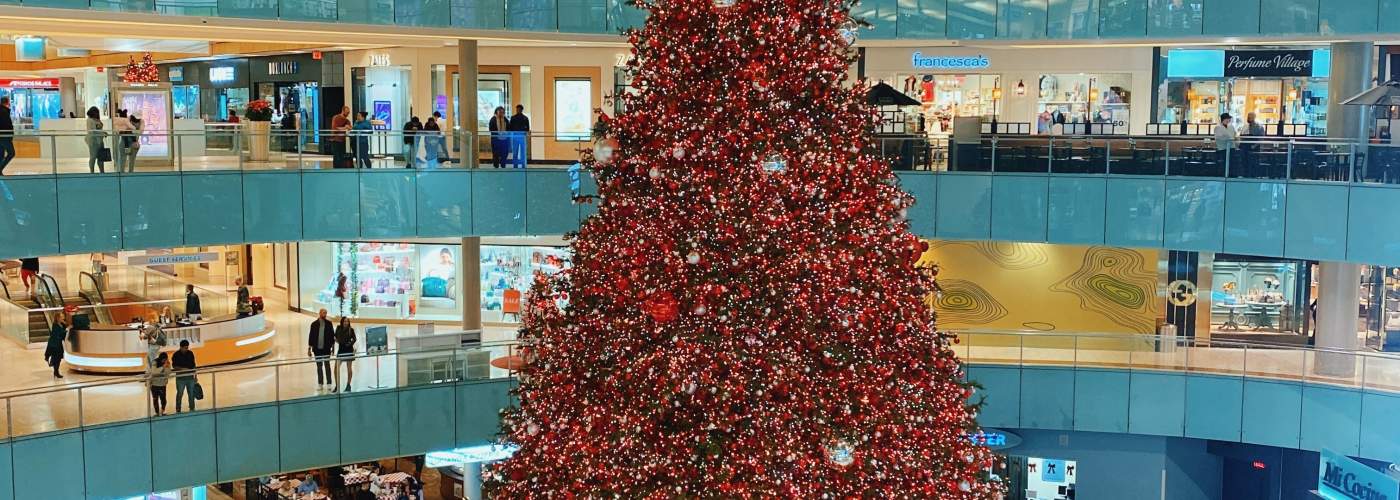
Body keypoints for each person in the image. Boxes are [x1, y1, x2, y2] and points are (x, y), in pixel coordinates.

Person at [308, 308, 336, 389]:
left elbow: (332, 336)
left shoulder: (329, 323)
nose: (325, 314)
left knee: (327, 365)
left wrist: (333, 348)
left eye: (326, 313)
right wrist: (309, 349)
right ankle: (320, 383)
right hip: (317, 349)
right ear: (319, 313)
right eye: (323, 313)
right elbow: (311, 336)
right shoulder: (314, 324)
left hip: (326, 348)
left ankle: (329, 383)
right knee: (319, 366)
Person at [172, 339, 197, 412]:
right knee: (180, 393)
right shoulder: (176, 355)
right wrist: (183, 369)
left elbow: (194, 365)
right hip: (180, 378)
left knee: (191, 393)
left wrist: (195, 376)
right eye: (185, 348)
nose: (186, 349)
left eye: (187, 347)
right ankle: (178, 408)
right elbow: (174, 366)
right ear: (181, 347)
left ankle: (192, 408)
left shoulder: (190, 353)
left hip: (190, 377)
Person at [333, 316, 356, 393]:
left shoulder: (351, 330)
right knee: (336, 368)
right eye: (345, 321)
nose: (346, 322)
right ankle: (337, 385)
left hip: (349, 350)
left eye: (347, 321)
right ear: (342, 322)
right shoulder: (338, 328)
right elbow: (335, 337)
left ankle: (348, 385)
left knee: (349, 369)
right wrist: (338, 342)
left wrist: (349, 344)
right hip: (341, 350)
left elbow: (354, 339)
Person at [44, 313, 68, 378]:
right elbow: (59, 333)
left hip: (58, 344)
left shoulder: (61, 324)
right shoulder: (55, 325)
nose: (63, 318)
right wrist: (65, 331)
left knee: (58, 358)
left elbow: (65, 327)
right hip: (54, 344)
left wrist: (64, 324)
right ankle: (56, 372)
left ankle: (56, 372)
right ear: (58, 318)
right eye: (62, 317)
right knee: (56, 358)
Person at [85, 107, 106, 173]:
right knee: (93, 156)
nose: (96, 114)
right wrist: (102, 133)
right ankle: (92, 172)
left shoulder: (97, 119)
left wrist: (102, 133)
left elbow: (99, 129)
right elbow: (92, 131)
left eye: (97, 112)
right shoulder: (89, 120)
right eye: (95, 112)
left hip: (100, 140)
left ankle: (102, 171)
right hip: (93, 141)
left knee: (101, 157)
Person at [0, 97, 14, 174]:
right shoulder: (4, 112)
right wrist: (10, 135)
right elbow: (7, 125)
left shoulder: (3, 111)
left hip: (2, 136)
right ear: (7, 102)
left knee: (1, 154)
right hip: (4, 136)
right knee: (11, 153)